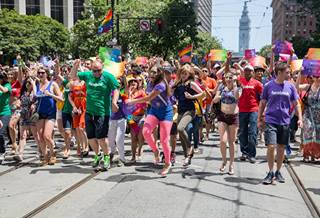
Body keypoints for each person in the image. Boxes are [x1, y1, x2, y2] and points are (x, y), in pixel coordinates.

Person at [258, 62, 302, 185]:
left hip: (285, 121)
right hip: (271, 120)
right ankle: (270, 172)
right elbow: (262, 103)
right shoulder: (268, 86)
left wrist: (300, 118)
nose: (289, 74)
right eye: (287, 72)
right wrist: (259, 119)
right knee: (271, 146)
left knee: (281, 147)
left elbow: (296, 103)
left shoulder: (290, 86)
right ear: (279, 73)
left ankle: (278, 171)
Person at [71, 59, 119, 170]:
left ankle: (106, 156)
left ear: (102, 68)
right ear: (91, 69)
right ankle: (97, 155)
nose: (96, 73)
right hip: (89, 111)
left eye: (99, 70)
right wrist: (75, 65)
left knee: (101, 138)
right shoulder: (88, 75)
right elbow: (73, 76)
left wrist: (114, 102)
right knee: (91, 137)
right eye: (94, 71)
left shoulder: (108, 77)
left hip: (102, 112)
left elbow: (116, 89)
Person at [127, 66, 173, 177]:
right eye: (150, 72)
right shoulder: (149, 82)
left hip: (166, 113)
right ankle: (156, 151)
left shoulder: (161, 85)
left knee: (164, 141)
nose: (151, 74)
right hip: (154, 111)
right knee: (146, 132)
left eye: (154, 72)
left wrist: (132, 101)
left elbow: (148, 99)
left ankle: (167, 163)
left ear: (159, 74)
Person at [173, 64, 205, 167]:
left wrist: (192, 97)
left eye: (185, 73)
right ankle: (187, 156)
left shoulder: (191, 84)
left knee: (180, 128)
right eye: (182, 73)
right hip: (180, 110)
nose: (183, 75)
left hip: (190, 110)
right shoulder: (178, 84)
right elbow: (170, 92)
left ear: (189, 74)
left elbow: (203, 94)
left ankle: (190, 147)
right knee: (181, 135)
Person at [213, 72, 241, 175]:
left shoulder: (238, 88)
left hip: (233, 117)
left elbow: (237, 97)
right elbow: (214, 100)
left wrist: (234, 85)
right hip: (222, 116)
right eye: (227, 77)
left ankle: (231, 164)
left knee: (232, 142)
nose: (228, 79)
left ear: (234, 78)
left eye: (231, 77)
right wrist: (219, 97)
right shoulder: (221, 87)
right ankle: (224, 161)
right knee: (223, 141)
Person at [35, 67, 63, 166]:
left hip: (50, 113)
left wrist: (51, 94)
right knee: (40, 137)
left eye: (42, 73)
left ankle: (53, 153)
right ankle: (45, 157)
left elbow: (61, 99)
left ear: (47, 74)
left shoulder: (53, 84)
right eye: (39, 73)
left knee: (47, 136)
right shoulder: (37, 85)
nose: (40, 74)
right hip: (40, 113)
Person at [238, 65, 263, 163]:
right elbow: (227, 73)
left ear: (253, 73)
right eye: (246, 71)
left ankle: (252, 154)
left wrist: (263, 110)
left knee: (253, 132)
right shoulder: (240, 81)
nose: (247, 72)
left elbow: (264, 95)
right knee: (242, 132)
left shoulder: (257, 83)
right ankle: (244, 152)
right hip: (242, 110)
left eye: (249, 71)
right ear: (244, 72)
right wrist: (228, 61)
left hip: (254, 110)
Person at [295, 71, 320, 162]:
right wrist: (300, 74)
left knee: (317, 135)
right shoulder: (308, 86)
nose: (317, 78)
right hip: (308, 113)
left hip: (318, 115)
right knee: (308, 132)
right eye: (315, 76)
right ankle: (306, 155)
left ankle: (314, 155)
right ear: (312, 77)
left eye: (319, 76)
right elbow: (296, 87)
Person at [14, 77, 40, 161]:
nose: (28, 84)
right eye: (27, 82)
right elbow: (19, 101)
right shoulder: (24, 92)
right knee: (22, 136)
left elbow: (36, 98)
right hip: (23, 115)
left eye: (30, 82)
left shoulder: (35, 91)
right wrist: (18, 104)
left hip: (32, 115)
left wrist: (34, 84)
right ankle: (20, 154)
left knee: (36, 135)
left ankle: (39, 151)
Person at [0, 71, 12, 163]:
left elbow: (4, 90)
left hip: (5, 112)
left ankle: (2, 152)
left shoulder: (7, 85)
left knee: (0, 133)